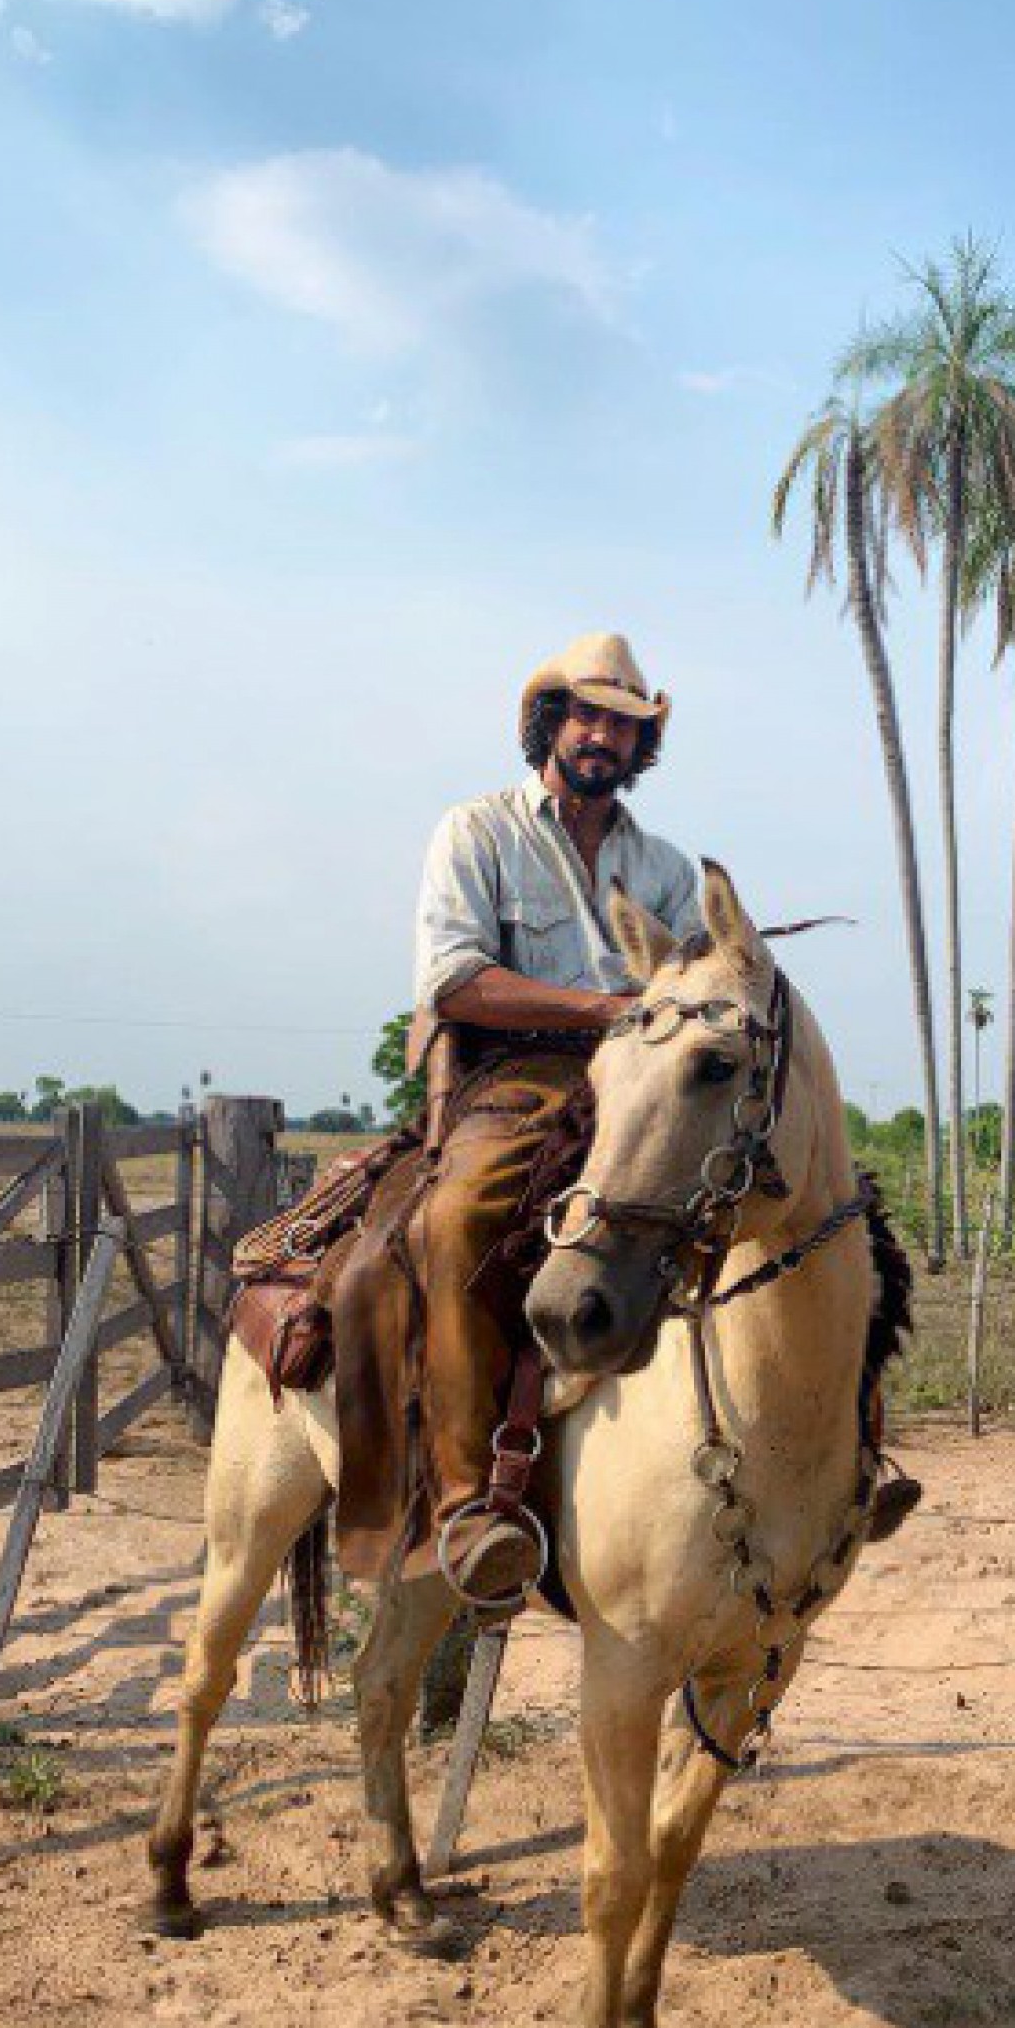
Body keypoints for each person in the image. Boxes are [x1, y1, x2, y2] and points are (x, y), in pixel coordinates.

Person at [412, 631, 702, 1607]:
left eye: (623, 726)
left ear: (638, 747)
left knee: (767, 1208)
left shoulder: (663, 867)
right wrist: (597, 1010)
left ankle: (817, 1458)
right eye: (587, 716)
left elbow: (689, 988)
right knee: (456, 1222)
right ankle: (465, 1501)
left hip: (641, 1082)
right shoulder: (478, 831)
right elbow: (454, 980)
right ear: (551, 724)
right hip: (518, 1080)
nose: (603, 738)